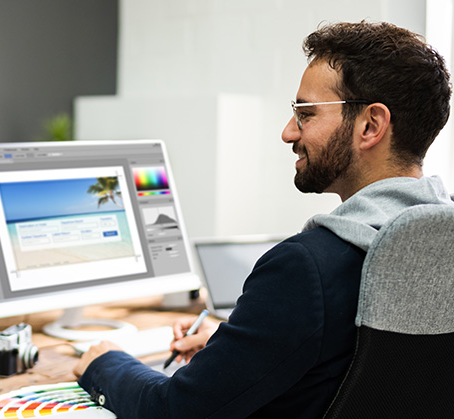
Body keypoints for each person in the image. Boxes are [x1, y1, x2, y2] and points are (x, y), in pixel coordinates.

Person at [73, 21, 454, 418]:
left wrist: (105, 362)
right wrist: (237, 351)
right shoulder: (444, 246)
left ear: (370, 126)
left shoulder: (307, 268)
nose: (288, 133)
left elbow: (171, 411)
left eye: (305, 114)